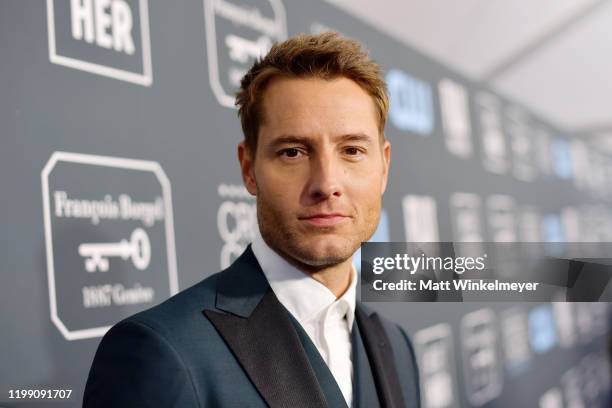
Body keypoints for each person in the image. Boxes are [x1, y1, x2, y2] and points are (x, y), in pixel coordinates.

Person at [83, 32, 420, 408]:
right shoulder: (162, 354)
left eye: (352, 150)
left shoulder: (397, 347)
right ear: (249, 169)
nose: (327, 184)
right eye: (293, 152)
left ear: (384, 167)